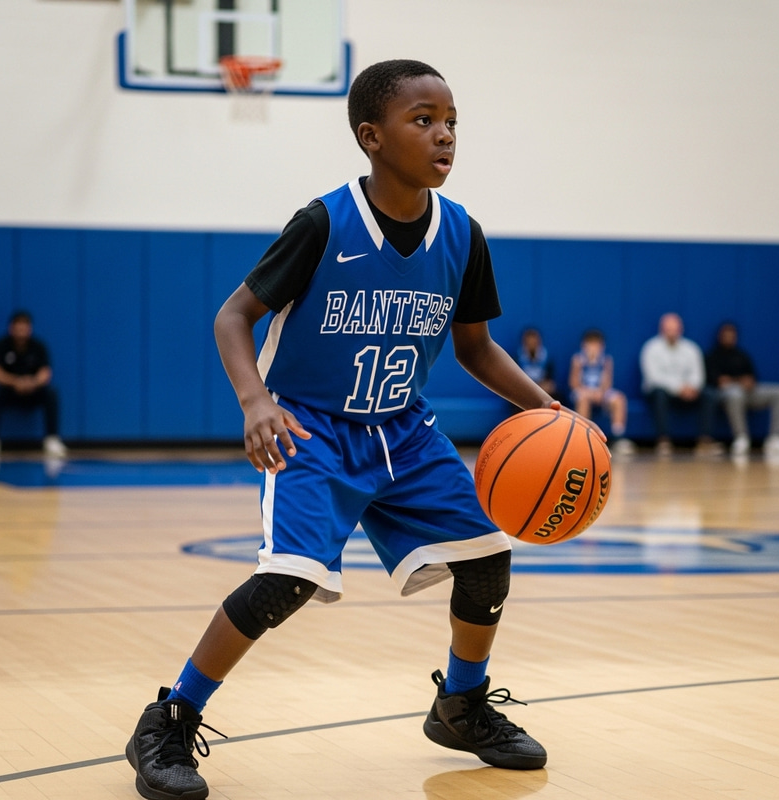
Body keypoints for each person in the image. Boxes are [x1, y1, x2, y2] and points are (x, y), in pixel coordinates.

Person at [126, 60, 603, 800]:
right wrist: (256, 401)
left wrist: (551, 410)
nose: (443, 135)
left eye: (451, 122)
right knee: (286, 581)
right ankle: (171, 716)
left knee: (487, 557)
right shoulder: (324, 223)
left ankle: (461, 705)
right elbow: (233, 317)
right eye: (424, 120)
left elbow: (475, 347)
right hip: (311, 428)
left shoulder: (461, 234)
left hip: (403, 431)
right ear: (371, 137)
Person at [639, 312, 721, 457]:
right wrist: (678, 388)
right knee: (659, 393)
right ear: (662, 329)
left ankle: (704, 440)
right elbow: (653, 377)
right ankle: (663, 440)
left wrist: (692, 387)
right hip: (661, 392)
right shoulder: (651, 348)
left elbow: (698, 374)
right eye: (668, 328)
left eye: (674, 328)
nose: (671, 332)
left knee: (709, 394)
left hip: (689, 392)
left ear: (680, 329)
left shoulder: (691, 348)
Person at [0, 310, 67, 459]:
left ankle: (52, 439)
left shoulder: (38, 346)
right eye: (18, 327)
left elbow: (46, 373)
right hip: (9, 392)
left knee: (51, 392)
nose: (21, 331)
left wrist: (32, 383)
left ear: (29, 328)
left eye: (24, 328)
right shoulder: (1, 345)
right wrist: (15, 382)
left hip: (32, 391)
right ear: (11, 328)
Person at [705, 321, 779, 458]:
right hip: (727, 395)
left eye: (731, 335)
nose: (729, 338)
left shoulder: (742, 355)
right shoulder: (713, 356)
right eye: (726, 335)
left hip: (748, 393)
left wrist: (748, 382)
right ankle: (741, 438)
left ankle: (776, 438)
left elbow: (752, 377)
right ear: (720, 336)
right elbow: (719, 382)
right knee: (735, 394)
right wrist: (737, 381)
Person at [569, 329, 635, 455]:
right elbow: (573, 383)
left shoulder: (606, 360)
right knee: (583, 399)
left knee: (619, 399)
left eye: (596, 344)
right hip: (583, 392)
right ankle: (582, 437)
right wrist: (588, 392)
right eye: (590, 343)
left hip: (600, 392)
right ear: (584, 345)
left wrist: (600, 392)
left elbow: (607, 383)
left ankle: (617, 437)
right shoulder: (578, 360)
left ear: (602, 346)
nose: (593, 347)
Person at [516, 327, 563, 403]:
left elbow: (550, 382)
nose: (532, 344)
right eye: (529, 342)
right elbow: (516, 381)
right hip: (525, 389)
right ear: (524, 343)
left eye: (534, 342)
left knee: (554, 395)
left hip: (542, 389)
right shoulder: (517, 358)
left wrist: (540, 387)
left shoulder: (547, 358)